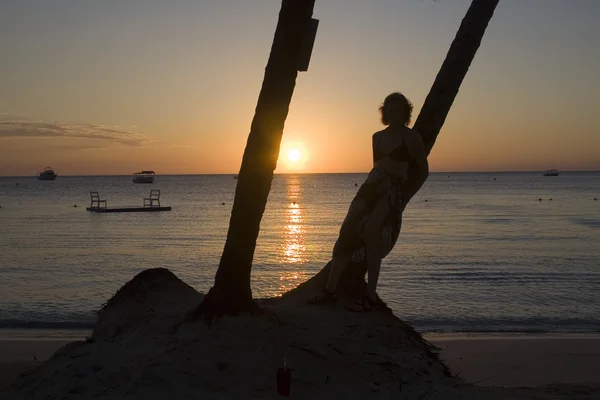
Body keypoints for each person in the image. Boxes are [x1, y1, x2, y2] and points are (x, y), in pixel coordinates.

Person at [309, 92, 428, 311]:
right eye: (390, 109)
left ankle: (370, 295)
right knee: (347, 233)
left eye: (399, 109)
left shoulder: (411, 138)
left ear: (405, 112)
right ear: (385, 112)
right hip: (370, 188)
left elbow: (422, 170)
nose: (394, 113)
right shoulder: (377, 137)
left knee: (372, 235)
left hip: (391, 191)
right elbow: (377, 166)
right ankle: (330, 289)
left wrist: (404, 195)